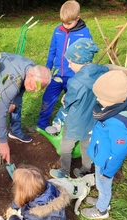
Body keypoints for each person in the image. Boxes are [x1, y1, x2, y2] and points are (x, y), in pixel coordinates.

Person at [0, 52, 51, 163]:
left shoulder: (32, 68)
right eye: (36, 86)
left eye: (39, 88)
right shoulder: (12, 81)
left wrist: (14, 103)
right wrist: (3, 143)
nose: (36, 91)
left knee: (17, 103)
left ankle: (15, 131)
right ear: (31, 76)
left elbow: (21, 88)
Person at [49, 38, 109, 179]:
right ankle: (85, 171)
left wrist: (65, 99)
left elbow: (69, 102)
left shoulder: (75, 82)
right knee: (87, 147)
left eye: (70, 62)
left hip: (75, 122)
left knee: (66, 147)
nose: (69, 66)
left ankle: (64, 171)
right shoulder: (102, 72)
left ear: (81, 62)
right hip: (92, 120)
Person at [80, 70, 127, 220]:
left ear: (114, 99)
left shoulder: (119, 125)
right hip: (101, 155)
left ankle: (102, 209)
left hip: (106, 163)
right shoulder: (112, 110)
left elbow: (119, 152)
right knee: (100, 185)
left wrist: (108, 171)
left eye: (101, 97)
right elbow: (103, 130)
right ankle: (102, 202)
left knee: (103, 186)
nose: (97, 99)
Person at [36, 0, 92, 131]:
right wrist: (47, 68)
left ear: (77, 18)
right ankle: (41, 124)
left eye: (69, 23)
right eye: (63, 22)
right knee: (47, 98)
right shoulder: (58, 30)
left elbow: (87, 56)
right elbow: (52, 49)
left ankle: (69, 127)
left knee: (72, 102)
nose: (66, 26)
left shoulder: (84, 33)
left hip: (74, 76)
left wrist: (83, 74)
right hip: (57, 74)